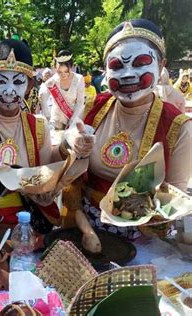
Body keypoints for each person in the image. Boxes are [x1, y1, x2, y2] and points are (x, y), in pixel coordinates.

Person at [0, 39, 94, 231]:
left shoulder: (38, 126)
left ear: (30, 85)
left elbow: (48, 172)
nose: (9, 91)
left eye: (18, 82)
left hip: (26, 225)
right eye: (0, 82)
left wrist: (68, 144)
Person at [66, 19, 191, 240]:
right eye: (116, 66)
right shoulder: (96, 107)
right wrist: (73, 144)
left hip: (143, 236)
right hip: (86, 226)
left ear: (161, 66)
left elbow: (173, 202)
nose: (127, 74)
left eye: (140, 63)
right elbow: (71, 165)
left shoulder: (178, 127)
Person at [39, 50, 85, 130]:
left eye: (66, 71)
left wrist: (72, 120)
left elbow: (80, 102)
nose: (63, 75)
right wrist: (48, 117)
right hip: (56, 120)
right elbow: (42, 97)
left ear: (71, 67)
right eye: (59, 72)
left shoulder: (79, 79)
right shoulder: (52, 81)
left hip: (74, 118)